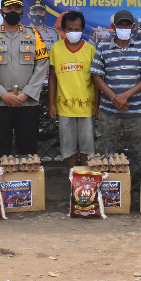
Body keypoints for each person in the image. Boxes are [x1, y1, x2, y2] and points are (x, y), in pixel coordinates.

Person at [0, 0, 49, 164]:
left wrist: (26, 94)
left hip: (27, 103)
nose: (13, 11)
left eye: (17, 8)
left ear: (22, 10)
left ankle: (27, 188)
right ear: (1, 11)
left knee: (28, 152)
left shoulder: (34, 35)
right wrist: (2, 94)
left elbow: (42, 65)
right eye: (9, 8)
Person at [90, 9, 141, 198]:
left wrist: (125, 95)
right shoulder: (102, 47)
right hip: (109, 110)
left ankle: (135, 193)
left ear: (134, 27)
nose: (124, 28)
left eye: (128, 24)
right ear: (114, 27)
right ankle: (105, 191)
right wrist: (114, 97)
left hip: (135, 110)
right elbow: (97, 76)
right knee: (104, 152)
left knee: (138, 152)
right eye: (121, 25)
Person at [48, 10, 98, 171]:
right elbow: (53, 78)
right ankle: (72, 178)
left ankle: (85, 179)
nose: (73, 32)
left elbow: (96, 80)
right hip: (64, 107)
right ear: (63, 30)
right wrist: (51, 104)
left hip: (87, 107)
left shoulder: (90, 49)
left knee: (87, 145)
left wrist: (96, 105)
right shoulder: (56, 48)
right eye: (69, 29)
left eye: (77, 29)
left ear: (82, 29)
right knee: (68, 145)